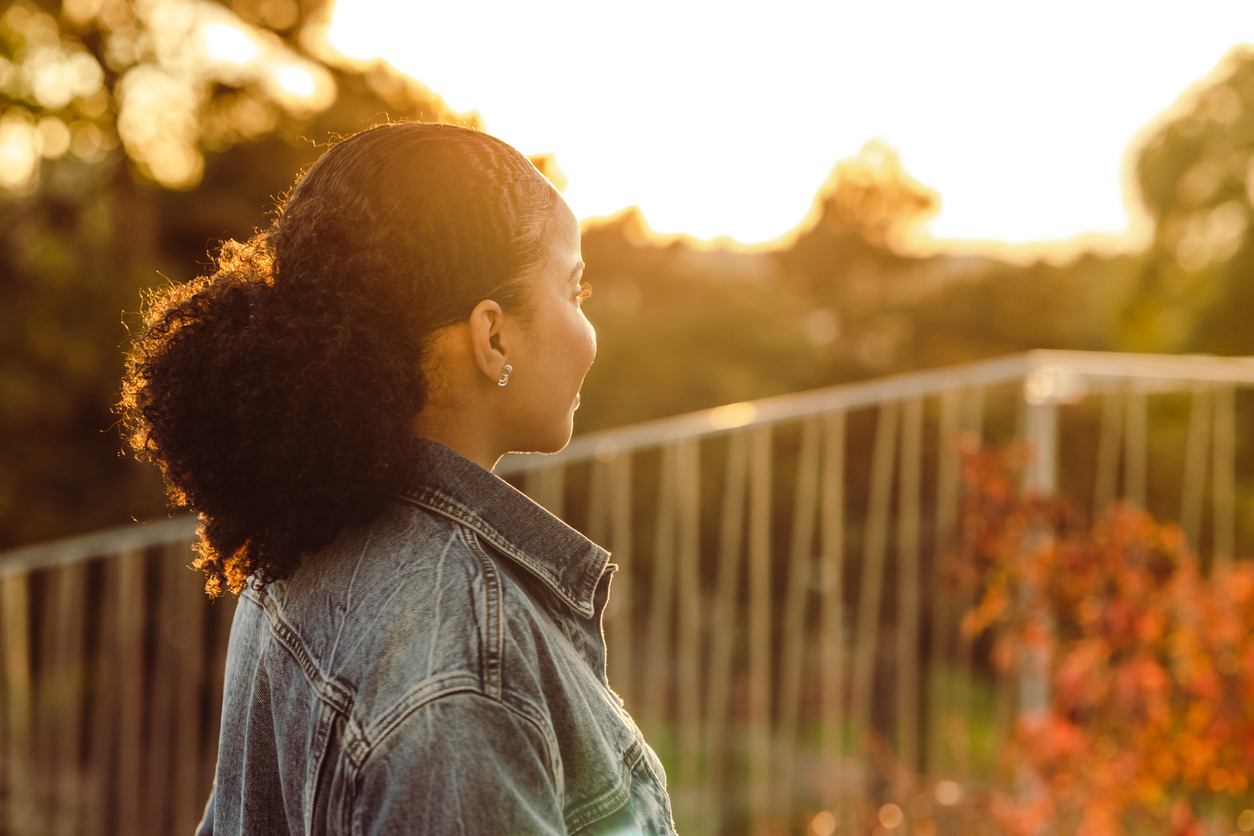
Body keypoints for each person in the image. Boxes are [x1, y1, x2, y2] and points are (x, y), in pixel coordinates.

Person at [120, 122, 677, 835]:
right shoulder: (469, 669)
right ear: (493, 336)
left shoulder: (307, 537)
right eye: (574, 288)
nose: (587, 324)